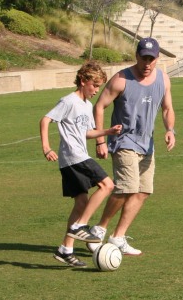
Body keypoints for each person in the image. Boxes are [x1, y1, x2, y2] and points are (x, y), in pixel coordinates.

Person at [92, 37, 176, 256]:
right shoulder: (121, 79)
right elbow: (99, 106)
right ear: (136, 56)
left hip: (146, 143)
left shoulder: (164, 79)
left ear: (157, 58)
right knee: (127, 186)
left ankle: (118, 237)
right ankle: (99, 229)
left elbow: (167, 108)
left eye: (152, 58)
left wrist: (170, 130)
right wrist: (100, 140)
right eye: (143, 57)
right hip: (123, 140)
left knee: (143, 191)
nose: (147, 63)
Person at [39, 60, 122, 267]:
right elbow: (45, 120)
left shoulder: (86, 105)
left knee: (82, 202)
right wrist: (47, 148)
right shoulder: (69, 101)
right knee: (107, 185)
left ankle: (65, 250)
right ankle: (81, 226)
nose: (96, 90)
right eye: (94, 85)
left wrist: (107, 132)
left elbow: (86, 133)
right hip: (73, 158)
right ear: (83, 80)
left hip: (78, 156)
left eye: (99, 86)